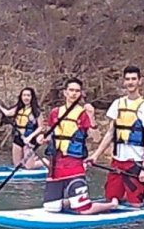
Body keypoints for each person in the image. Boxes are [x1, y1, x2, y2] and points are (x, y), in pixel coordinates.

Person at [32, 78, 119, 215]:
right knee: (51, 208)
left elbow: (95, 138)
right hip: (56, 165)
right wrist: (41, 138)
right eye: (71, 90)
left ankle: (111, 205)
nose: (73, 93)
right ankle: (72, 200)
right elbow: (50, 135)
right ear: (65, 92)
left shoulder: (84, 113)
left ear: (81, 94)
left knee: (84, 210)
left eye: (77, 91)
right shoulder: (55, 112)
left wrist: (92, 117)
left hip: (74, 165)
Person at [88, 65, 144, 207]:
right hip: (117, 161)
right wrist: (95, 155)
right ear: (124, 82)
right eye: (128, 79)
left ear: (139, 81)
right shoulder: (117, 104)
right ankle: (126, 192)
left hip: (135, 162)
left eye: (133, 79)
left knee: (136, 205)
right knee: (111, 199)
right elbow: (110, 133)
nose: (130, 82)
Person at [0, 87, 44, 169]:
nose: (26, 97)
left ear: (32, 97)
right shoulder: (18, 108)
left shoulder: (36, 111)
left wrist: (30, 137)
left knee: (29, 167)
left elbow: (41, 127)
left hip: (29, 140)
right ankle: (31, 160)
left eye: (28, 95)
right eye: (24, 95)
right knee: (17, 166)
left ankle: (42, 162)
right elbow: (6, 113)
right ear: (21, 97)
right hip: (18, 138)